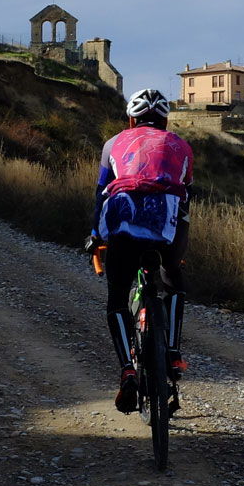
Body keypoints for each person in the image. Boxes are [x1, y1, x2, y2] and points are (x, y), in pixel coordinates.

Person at [90, 88, 194, 414]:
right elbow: (187, 195)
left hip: (122, 225)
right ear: (164, 120)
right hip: (166, 226)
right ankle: (173, 351)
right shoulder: (181, 146)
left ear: (131, 118)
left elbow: (100, 195)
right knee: (174, 278)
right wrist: (177, 248)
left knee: (117, 300)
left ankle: (128, 371)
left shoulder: (112, 144)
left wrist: (95, 235)